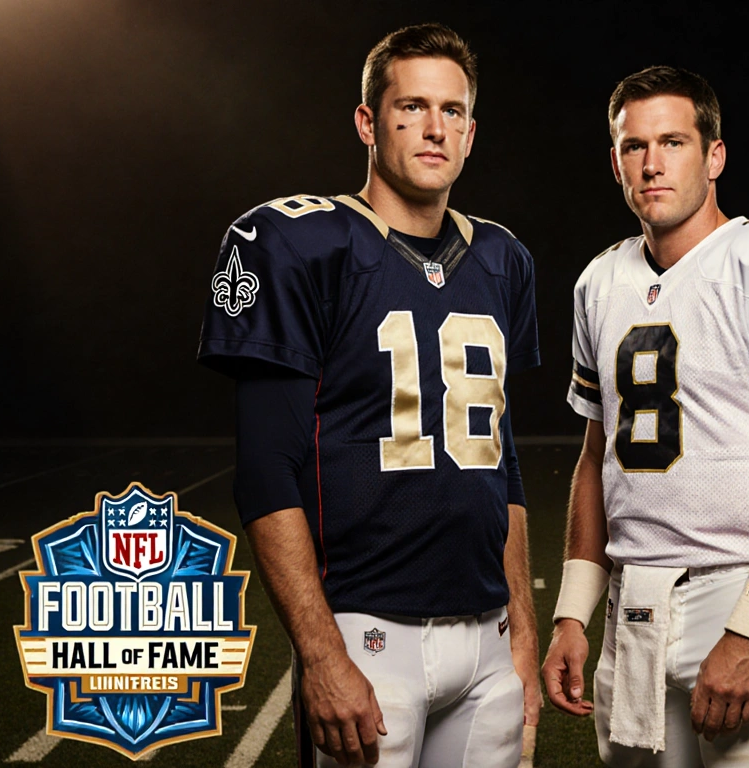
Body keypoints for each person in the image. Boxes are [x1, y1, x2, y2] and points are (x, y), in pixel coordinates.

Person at [197, 24, 541, 768]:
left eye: (451, 111)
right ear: (367, 121)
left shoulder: (502, 258)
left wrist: (526, 637)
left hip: (489, 640)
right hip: (367, 632)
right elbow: (264, 474)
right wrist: (321, 655)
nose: (432, 127)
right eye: (411, 106)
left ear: (471, 132)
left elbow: (502, 467)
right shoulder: (297, 242)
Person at [541, 66, 749, 767]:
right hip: (631, 604)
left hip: (734, 589)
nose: (652, 163)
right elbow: (598, 460)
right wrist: (573, 611)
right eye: (634, 147)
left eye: (674, 142)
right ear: (615, 161)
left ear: (714, 155)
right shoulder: (599, 281)